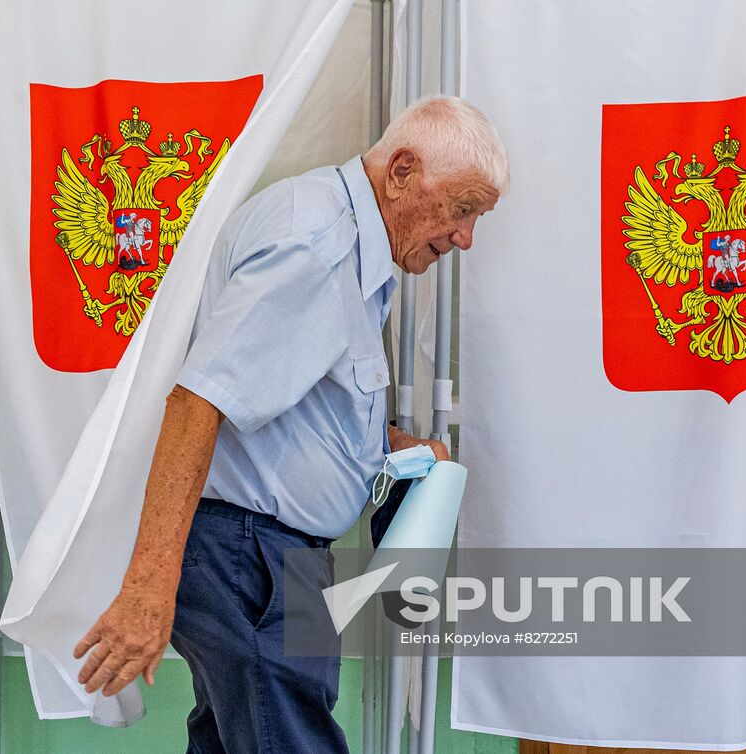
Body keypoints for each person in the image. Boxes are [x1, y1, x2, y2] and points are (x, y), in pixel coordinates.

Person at [73, 96, 510, 753]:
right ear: (402, 173)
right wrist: (146, 591)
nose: (466, 236)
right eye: (462, 207)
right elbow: (199, 400)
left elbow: (292, 403)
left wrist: (388, 448)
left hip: (269, 561)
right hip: (251, 561)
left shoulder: (346, 242)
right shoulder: (318, 244)